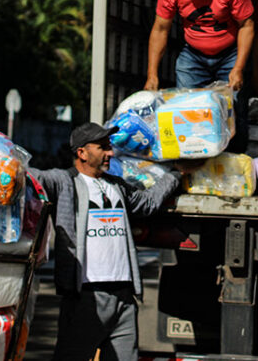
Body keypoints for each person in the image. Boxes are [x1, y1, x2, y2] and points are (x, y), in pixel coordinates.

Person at [28, 122, 187, 360]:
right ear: (81, 152)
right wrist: (8, 165)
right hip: (86, 298)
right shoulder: (64, 182)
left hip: (123, 298)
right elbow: (34, 178)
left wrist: (177, 173)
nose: (110, 153)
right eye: (102, 147)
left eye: (109, 146)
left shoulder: (116, 185)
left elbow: (148, 202)